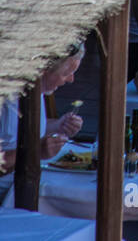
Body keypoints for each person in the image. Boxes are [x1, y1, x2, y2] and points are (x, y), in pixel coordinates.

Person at [0, 44, 85, 199]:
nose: (71, 79)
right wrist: (34, 151)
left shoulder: (35, 90)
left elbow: (26, 130)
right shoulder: (7, 100)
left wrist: (58, 126)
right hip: (8, 195)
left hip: (32, 178)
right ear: (43, 70)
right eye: (66, 73)